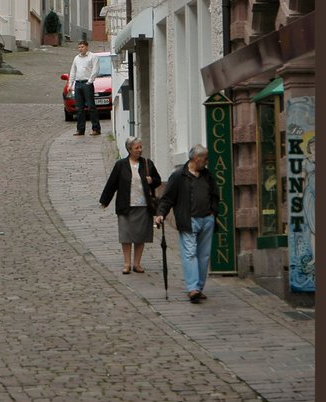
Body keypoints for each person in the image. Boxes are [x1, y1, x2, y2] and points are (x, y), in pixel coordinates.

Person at [154, 144, 219, 303]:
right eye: (204, 159)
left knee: (203, 256)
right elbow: (168, 197)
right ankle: (193, 289)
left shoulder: (207, 175)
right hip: (188, 220)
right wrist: (161, 214)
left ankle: (199, 287)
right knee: (190, 253)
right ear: (195, 159)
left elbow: (215, 194)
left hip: (207, 219)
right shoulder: (178, 176)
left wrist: (213, 211)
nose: (206, 162)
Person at [100, 136, 161, 273]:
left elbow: (158, 180)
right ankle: (127, 264)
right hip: (125, 206)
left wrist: (152, 180)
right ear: (129, 149)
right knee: (126, 235)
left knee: (140, 235)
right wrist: (105, 200)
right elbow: (112, 183)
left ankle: (137, 263)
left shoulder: (147, 163)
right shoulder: (120, 165)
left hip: (143, 206)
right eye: (137, 147)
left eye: (141, 147)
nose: (140, 150)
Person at [67, 40, 100, 136]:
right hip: (78, 84)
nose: (80, 49)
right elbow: (73, 71)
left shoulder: (93, 57)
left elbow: (95, 70)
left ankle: (96, 128)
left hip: (87, 83)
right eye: (79, 47)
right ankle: (80, 129)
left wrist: (90, 81)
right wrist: (70, 84)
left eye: (82, 47)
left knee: (91, 107)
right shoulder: (76, 58)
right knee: (79, 108)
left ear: (87, 47)